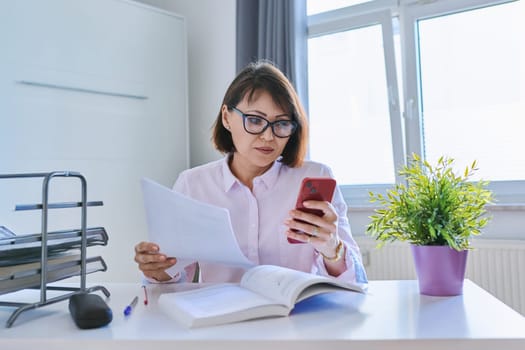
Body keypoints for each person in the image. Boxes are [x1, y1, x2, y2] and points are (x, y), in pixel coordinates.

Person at [134, 60, 367, 285]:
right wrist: (158, 270)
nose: (268, 136)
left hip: (296, 319)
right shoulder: (193, 184)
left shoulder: (316, 177)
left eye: (281, 123)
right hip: (222, 319)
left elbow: (356, 281)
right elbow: (174, 279)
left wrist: (332, 248)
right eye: (255, 120)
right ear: (226, 117)